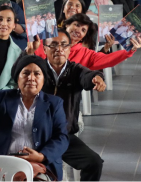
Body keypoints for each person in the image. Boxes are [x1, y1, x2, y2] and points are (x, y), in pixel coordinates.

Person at [0, 54, 69, 180]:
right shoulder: (4, 97)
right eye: (26, 73)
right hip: (2, 161)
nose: (31, 78)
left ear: (43, 79)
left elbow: (62, 138)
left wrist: (41, 156)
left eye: (37, 74)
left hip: (38, 164)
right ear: (18, 78)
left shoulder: (54, 103)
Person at [41, 30, 106, 182]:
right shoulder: (37, 70)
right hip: (37, 136)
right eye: (54, 45)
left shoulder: (75, 70)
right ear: (44, 48)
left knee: (94, 163)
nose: (59, 49)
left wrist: (97, 78)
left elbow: (87, 76)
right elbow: (17, 72)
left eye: (64, 45)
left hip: (63, 136)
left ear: (70, 49)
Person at [31, 13, 141, 70]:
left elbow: (107, 60)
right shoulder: (43, 42)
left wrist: (129, 51)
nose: (78, 31)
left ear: (84, 36)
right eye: (76, 25)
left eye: (83, 30)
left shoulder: (85, 54)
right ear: (67, 25)